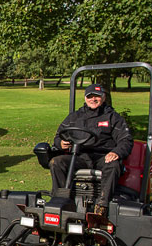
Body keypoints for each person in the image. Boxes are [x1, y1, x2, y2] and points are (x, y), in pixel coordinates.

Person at [49, 83, 132, 215]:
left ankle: (101, 205)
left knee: (113, 165)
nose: (93, 99)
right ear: (85, 98)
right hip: (80, 156)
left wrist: (116, 152)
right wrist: (60, 143)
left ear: (103, 97)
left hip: (102, 157)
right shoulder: (75, 117)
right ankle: (60, 200)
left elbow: (125, 140)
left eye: (97, 96)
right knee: (56, 162)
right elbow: (59, 135)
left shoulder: (113, 117)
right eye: (90, 96)